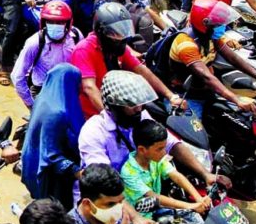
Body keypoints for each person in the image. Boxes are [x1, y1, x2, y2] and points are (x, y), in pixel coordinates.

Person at [79, 70, 226, 193]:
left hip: (143, 192)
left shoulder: (140, 116)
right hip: (109, 201)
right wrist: (136, 218)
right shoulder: (93, 132)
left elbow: (171, 144)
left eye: (140, 104)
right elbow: (104, 182)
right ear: (113, 104)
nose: (139, 109)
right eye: (132, 106)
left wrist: (205, 174)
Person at [146, 0, 256, 118]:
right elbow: (206, 76)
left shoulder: (211, 37)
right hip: (185, 95)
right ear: (205, 23)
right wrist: (237, 99)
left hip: (207, 91)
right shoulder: (186, 43)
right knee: (194, 133)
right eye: (217, 25)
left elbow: (233, 58)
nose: (221, 28)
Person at [71, 3, 183, 120]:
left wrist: (170, 96)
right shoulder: (84, 49)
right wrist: (110, 117)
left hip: (121, 109)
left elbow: (141, 70)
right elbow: (89, 88)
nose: (121, 37)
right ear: (101, 31)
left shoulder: (117, 47)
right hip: (96, 116)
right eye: (116, 33)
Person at [21, 64, 85, 208]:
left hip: (33, 164)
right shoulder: (57, 113)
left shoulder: (43, 100)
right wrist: (78, 172)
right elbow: (51, 157)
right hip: (50, 178)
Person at [12, 1, 80, 109]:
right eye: (51, 22)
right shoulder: (35, 42)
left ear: (68, 23)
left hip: (69, 90)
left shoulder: (76, 36)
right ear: (44, 23)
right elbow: (17, 76)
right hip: (43, 91)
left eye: (60, 22)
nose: (55, 26)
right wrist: (31, 104)